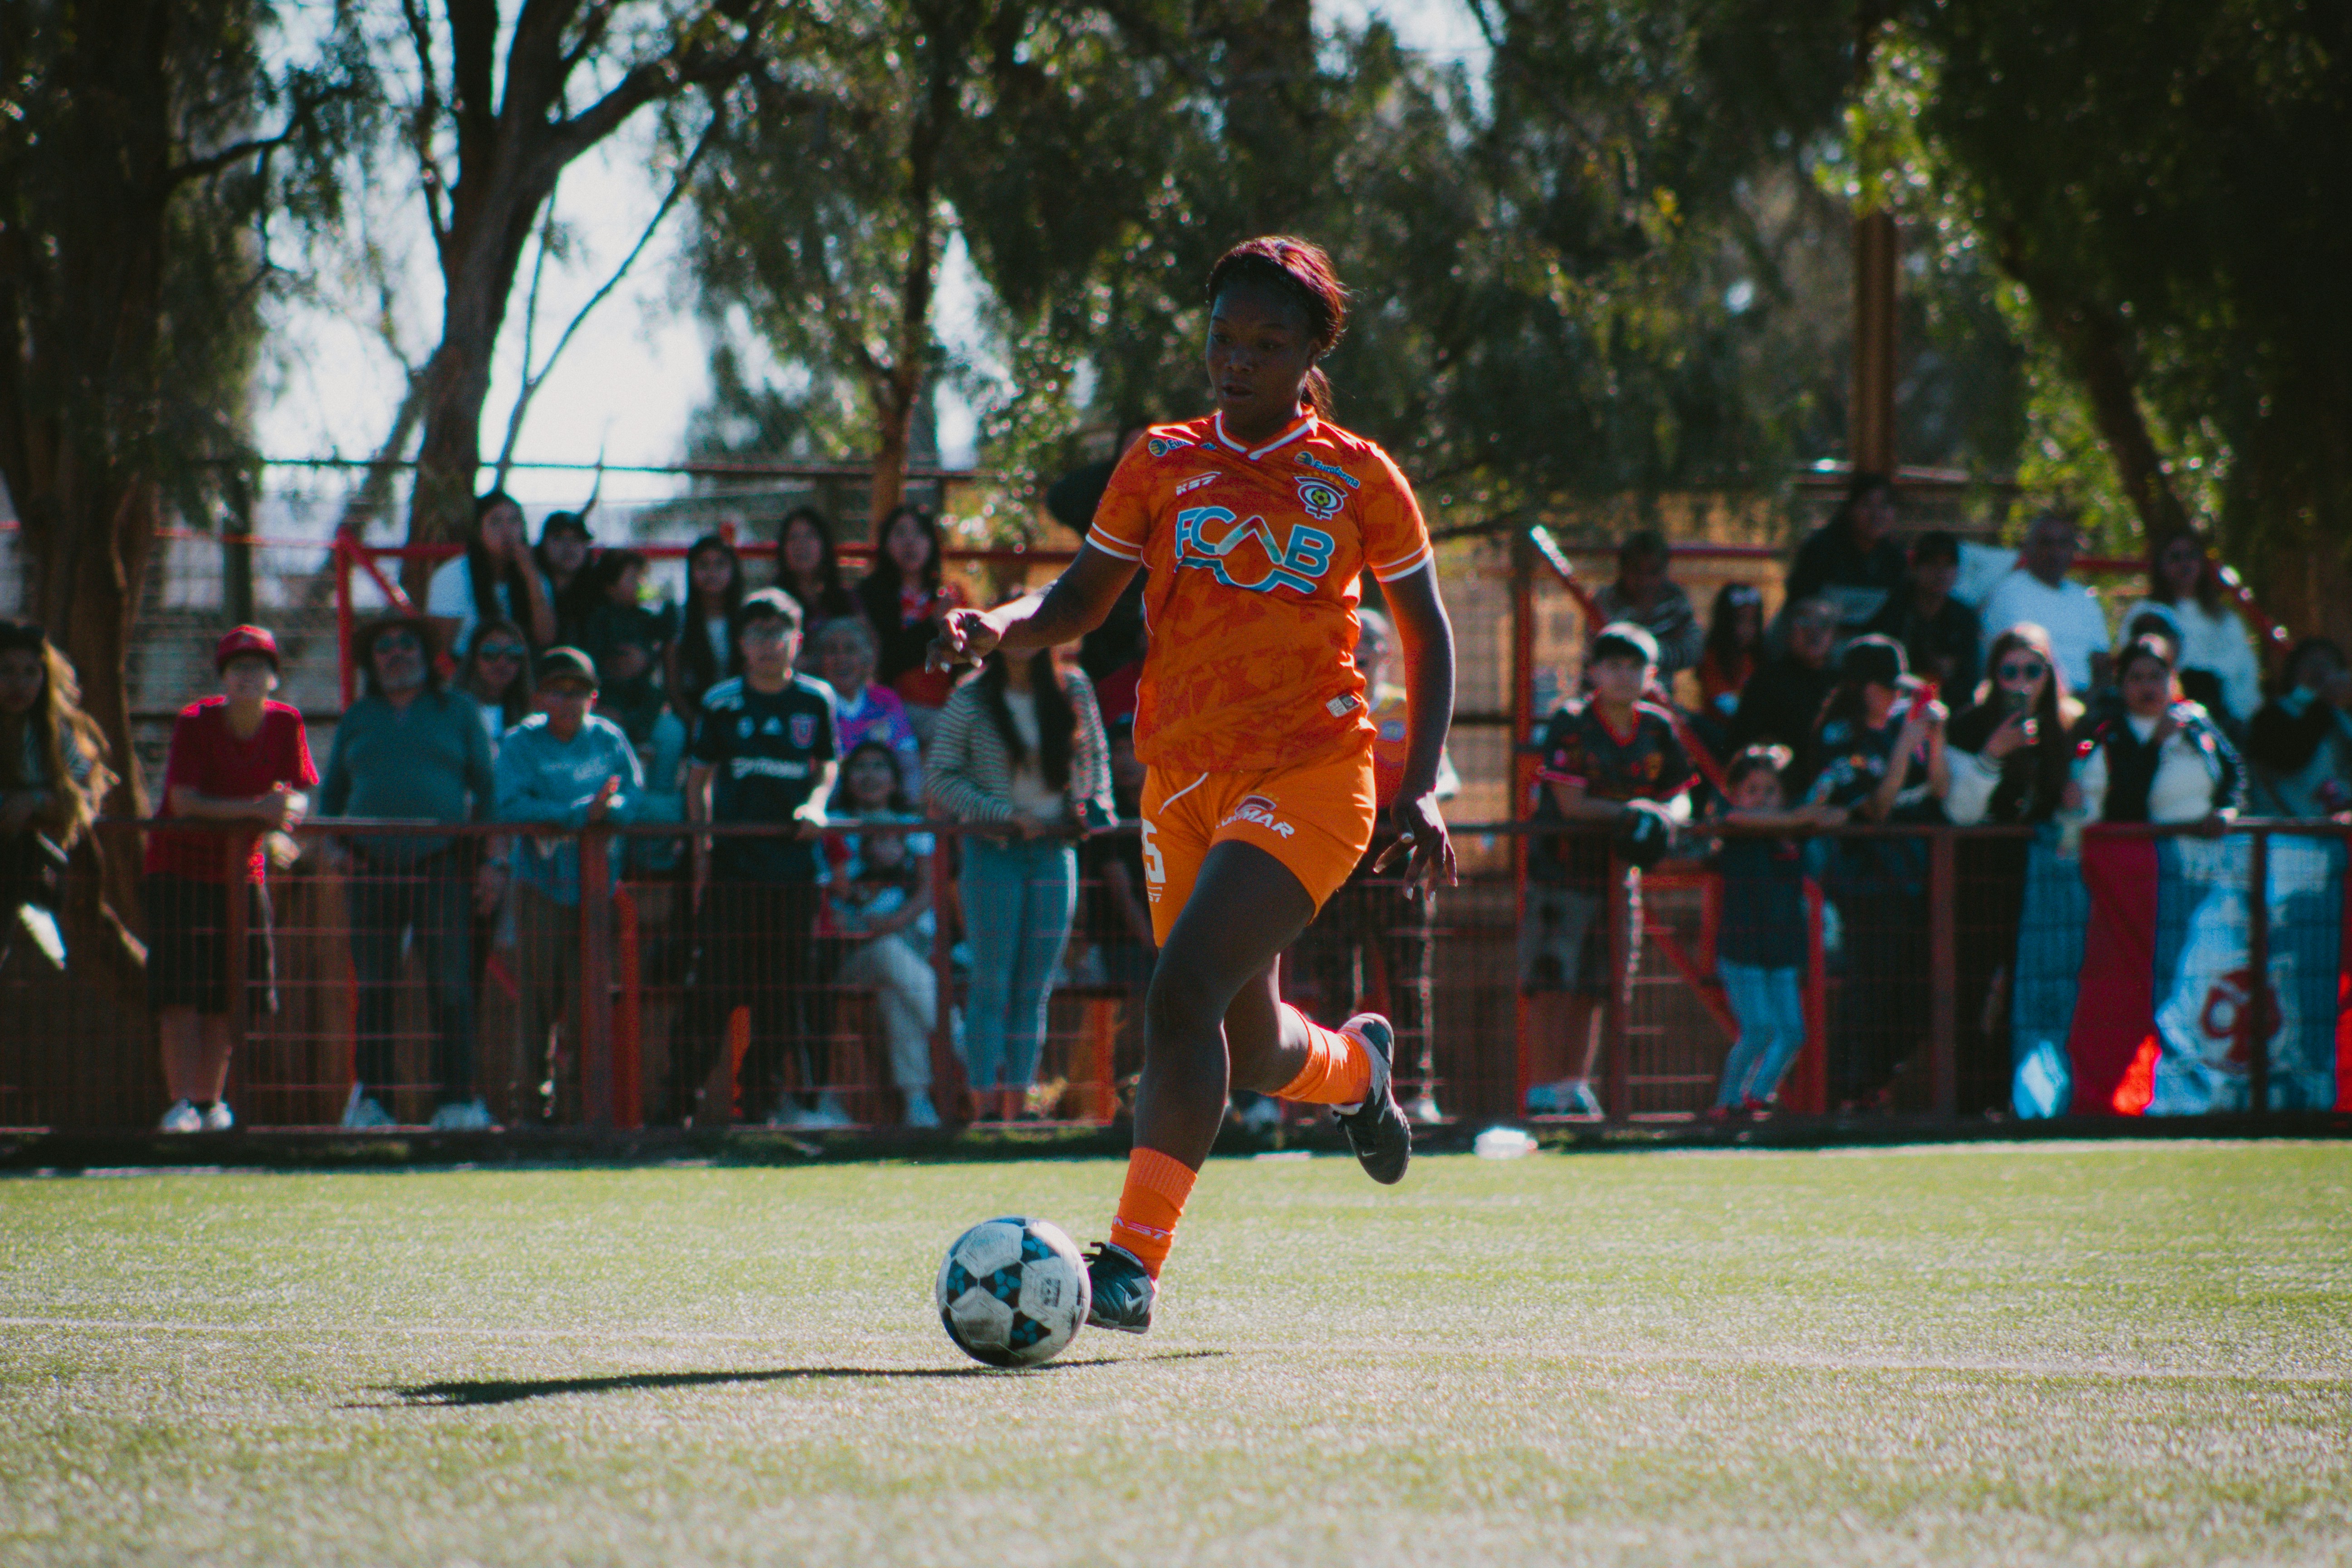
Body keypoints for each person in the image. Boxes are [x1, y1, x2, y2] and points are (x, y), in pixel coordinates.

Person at [930, 235, 1455, 1334]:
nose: (1237, 360)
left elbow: (1427, 629)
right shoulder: (1159, 460)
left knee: (1177, 991)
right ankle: (1356, 1070)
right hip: (1177, 777)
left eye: (1267, 343)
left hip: (1315, 771)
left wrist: (1416, 787)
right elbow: (1076, 602)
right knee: (1249, 1041)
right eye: (1223, 337)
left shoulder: (1360, 474)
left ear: (1312, 350)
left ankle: (1130, 1262)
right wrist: (999, 626)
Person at [317, 617, 500, 1131]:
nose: (397, 653)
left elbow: (487, 792)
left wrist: (492, 862)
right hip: (369, 869)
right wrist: (337, 848)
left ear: (426, 654)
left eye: (407, 644)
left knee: (452, 984)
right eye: (384, 647)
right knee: (375, 985)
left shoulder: (458, 711)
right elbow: (330, 797)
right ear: (371, 661)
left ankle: (458, 1103)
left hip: (443, 864)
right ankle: (374, 1104)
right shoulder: (358, 717)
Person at [676, 589, 842, 1128]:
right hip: (734, 871)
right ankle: (674, 1110)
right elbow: (698, 777)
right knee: (713, 991)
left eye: (778, 633)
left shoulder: (816, 700)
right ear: (742, 644)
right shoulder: (721, 702)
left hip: (795, 874)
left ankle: (761, 1114)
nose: (768, 645)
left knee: (781, 997)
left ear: (796, 640)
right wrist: (702, 846)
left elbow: (828, 766)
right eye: (757, 634)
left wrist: (817, 804)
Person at [1285, 607, 1458, 1124]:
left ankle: (1418, 1094)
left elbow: (1446, 779)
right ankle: (1340, 1094)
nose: (1361, 650)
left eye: (1372, 641)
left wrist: (1415, 800)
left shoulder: (1409, 707)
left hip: (1398, 857)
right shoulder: (1324, 705)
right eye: (1354, 640)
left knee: (1409, 976)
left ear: (1387, 652)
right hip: (1337, 857)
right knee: (1335, 975)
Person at [925, 648, 1112, 1119]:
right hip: (994, 851)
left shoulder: (1073, 686)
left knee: (1036, 987)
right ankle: (984, 1103)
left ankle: (1022, 1103)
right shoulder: (970, 697)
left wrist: (1089, 806)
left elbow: (1095, 758)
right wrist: (1003, 816)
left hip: (1055, 849)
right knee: (992, 982)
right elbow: (940, 777)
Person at [143, 626, 315, 1134]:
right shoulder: (195, 722)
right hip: (178, 868)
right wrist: (256, 812)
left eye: (258, 665)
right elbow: (184, 802)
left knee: (230, 990)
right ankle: (180, 1105)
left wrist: (285, 818)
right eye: (237, 665)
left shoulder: (287, 724)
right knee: (180, 992)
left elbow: (298, 792)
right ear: (222, 676)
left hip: (242, 873)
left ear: (274, 678)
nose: (247, 674)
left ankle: (209, 1102)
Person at [1523, 621, 1693, 1118]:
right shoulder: (1571, 721)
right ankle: (1540, 1089)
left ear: (1653, 673)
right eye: (1613, 665)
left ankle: (1573, 1087)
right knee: (1551, 984)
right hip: (1561, 875)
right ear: (1594, 671)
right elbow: (1572, 805)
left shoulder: (1659, 726)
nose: (1623, 675)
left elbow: (1680, 796)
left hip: (1619, 880)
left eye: (1635, 665)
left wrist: (1663, 816)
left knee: (1600, 986)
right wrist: (1638, 812)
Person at [493, 647, 644, 1123]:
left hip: (597, 890)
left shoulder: (609, 739)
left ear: (594, 697)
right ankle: (529, 1113)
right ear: (539, 697)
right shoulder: (520, 744)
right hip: (540, 887)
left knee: (590, 1003)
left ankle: (586, 1114)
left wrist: (610, 814)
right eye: (558, 690)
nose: (569, 701)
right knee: (535, 1003)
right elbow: (510, 807)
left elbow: (634, 798)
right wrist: (579, 815)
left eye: (579, 692)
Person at [1803, 635, 1949, 1109]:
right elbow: (1876, 808)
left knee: (1922, 997)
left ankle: (1874, 1081)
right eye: (1892, 689)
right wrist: (1907, 745)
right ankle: (1848, 1092)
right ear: (1868, 689)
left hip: (1913, 880)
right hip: (1866, 887)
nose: (1900, 700)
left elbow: (1938, 794)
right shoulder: (1840, 738)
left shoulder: (1895, 730)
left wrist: (1932, 738)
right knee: (1870, 993)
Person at [1943, 624, 2082, 1109]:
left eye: (2033, 670)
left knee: (2032, 986)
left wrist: (2074, 804)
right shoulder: (1967, 725)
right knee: (1973, 986)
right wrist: (1992, 756)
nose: (2022, 681)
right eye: (2010, 671)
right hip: (1978, 872)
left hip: (2043, 877)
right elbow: (1960, 811)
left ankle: (2017, 1097)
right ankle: (1967, 1100)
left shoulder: (2068, 729)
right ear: (1993, 674)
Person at [1706, 746, 1839, 1117]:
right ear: (1734, 794)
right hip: (1741, 950)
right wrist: (1798, 818)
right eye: (1752, 789)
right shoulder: (1733, 826)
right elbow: (1738, 818)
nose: (1762, 799)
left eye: (1770, 790)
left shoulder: (1793, 834)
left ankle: (1756, 1095)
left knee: (1794, 1033)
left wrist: (1814, 813)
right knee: (1759, 1029)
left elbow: (1830, 821)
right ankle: (1727, 1102)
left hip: (1781, 949)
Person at [824, 739, 942, 1127]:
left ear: (895, 780)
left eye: (880, 766)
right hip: (849, 952)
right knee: (889, 955)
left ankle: (916, 1104)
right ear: (846, 777)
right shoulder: (830, 824)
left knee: (896, 989)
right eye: (860, 767)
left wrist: (893, 922)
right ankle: (955, 1035)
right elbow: (831, 894)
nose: (870, 775)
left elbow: (928, 891)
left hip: (913, 945)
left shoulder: (915, 824)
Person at [0, 619, 114, 966]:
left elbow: (84, 792)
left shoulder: (55, 733)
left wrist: (36, 801)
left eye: (30, 672)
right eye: (6, 671)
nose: (19, 684)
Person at [2071, 635, 2243, 827]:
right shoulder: (2110, 734)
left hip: (2207, 844)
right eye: (2137, 678)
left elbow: (2233, 769)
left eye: (2156, 677)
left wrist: (2228, 810)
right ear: (2121, 684)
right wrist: (2155, 746)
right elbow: (2123, 805)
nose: (2147, 687)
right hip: (2146, 847)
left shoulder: (2195, 720)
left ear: (2172, 679)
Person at [2122, 528, 2263, 725]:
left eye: (2192, 556)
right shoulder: (2148, 614)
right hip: (2180, 715)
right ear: (2160, 565)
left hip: (2236, 715)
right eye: (2175, 557)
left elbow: (2246, 669)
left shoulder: (2225, 617)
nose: (2185, 564)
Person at [857, 503, 967, 734]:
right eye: (900, 533)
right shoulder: (869, 595)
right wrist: (933, 624)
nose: (910, 542)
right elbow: (884, 660)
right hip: (888, 707)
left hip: (947, 707)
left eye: (920, 533)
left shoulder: (953, 595)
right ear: (885, 543)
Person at [1976, 510, 2112, 696]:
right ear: (2028, 548)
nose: (2055, 552)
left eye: (2063, 544)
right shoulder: (2010, 592)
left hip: (2085, 703)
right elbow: (2014, 664)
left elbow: (2101, 665)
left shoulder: (2084, 599)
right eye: (2046, 543)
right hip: (2033, 699)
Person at [1728, 596, 1841, 791]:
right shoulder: (1767, 680)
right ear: (1788, 631)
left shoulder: (1842, 682)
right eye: (1804, 622)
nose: (1814, 631)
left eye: (1823, 624)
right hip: (1779, 791)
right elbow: (1745, 741)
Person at [426, 491, 557, 657]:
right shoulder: (453, 575)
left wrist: (532, 579)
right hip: (466, 669)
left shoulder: (534, 574)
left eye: (514, 521)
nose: (506, 531)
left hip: (518, 668)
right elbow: (440, 651)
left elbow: (546, 638)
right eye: (496, 522)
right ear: (479, 530)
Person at [813, 615, 922, 799]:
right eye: (832, 651)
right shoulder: (813, 701)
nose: (841, 659)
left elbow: (908, 763)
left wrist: (910, 809)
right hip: (832, 811)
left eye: (850, 650)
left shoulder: (886, 700)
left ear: (866, 659)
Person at [1786, 471, 1908, 634]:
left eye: (1884, 506)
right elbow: (1799, 609)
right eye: (1867, 505)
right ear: (1850, 509)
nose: (1876, 515)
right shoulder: (1821, 551)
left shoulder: (1895, 560)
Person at [1865, 529, 1981, 697]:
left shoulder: (1965, 618)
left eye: (1948, 564)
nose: (1941, 573)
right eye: (1933, 563)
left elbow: (1969, 680)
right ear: (1915, 567)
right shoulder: (1894, 611)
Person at [2245, 638, 2352, 818]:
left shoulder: (2342, 718)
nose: (2321, 672)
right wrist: (2323, 702)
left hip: (2335, 833)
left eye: (2328, 664)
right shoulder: (2270, 716)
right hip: (2283, 831)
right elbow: (2289, 759)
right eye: (2312, 663)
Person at [1589, 529, 1702, 680]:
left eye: (1654, 572)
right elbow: (1598, 659)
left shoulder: (1675, 599)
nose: (1644, 581)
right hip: (1610, 696)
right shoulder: (1604, 602)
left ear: (1665, 571)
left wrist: (1649, 652)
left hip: (1661, 697)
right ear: (1623, 570)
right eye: (1636, 571)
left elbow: (1694, 652)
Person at [671, 533, 745, 721]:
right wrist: (695, 724)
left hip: (742, 709)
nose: (712, 573)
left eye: (720, 564)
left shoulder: (747, 617)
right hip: (695, 710)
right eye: (703, 565)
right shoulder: (678, 618)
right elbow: (673, 685)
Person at [776, 505, 862, 635]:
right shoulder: (773, 601)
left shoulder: (847, 600)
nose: (801, 545)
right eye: (793, 538)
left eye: (810, 536)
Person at [455, 617, 533, 752]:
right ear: (474, 658)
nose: (502, 663)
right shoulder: (450, 710)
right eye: (491, 653)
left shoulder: (532, 719)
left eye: (513, 654)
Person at [1695, 582, 1765, 724]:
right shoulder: (1711, 657)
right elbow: (1724, 703)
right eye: (1741, 620)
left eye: (1753, 621)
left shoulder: (1757, 658)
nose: (1748, 628)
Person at [534, 511, 598, 646]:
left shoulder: (597, 595)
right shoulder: (529, 589)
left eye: (577, 539)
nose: (569, 547)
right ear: (544, 545)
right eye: (559, 539)